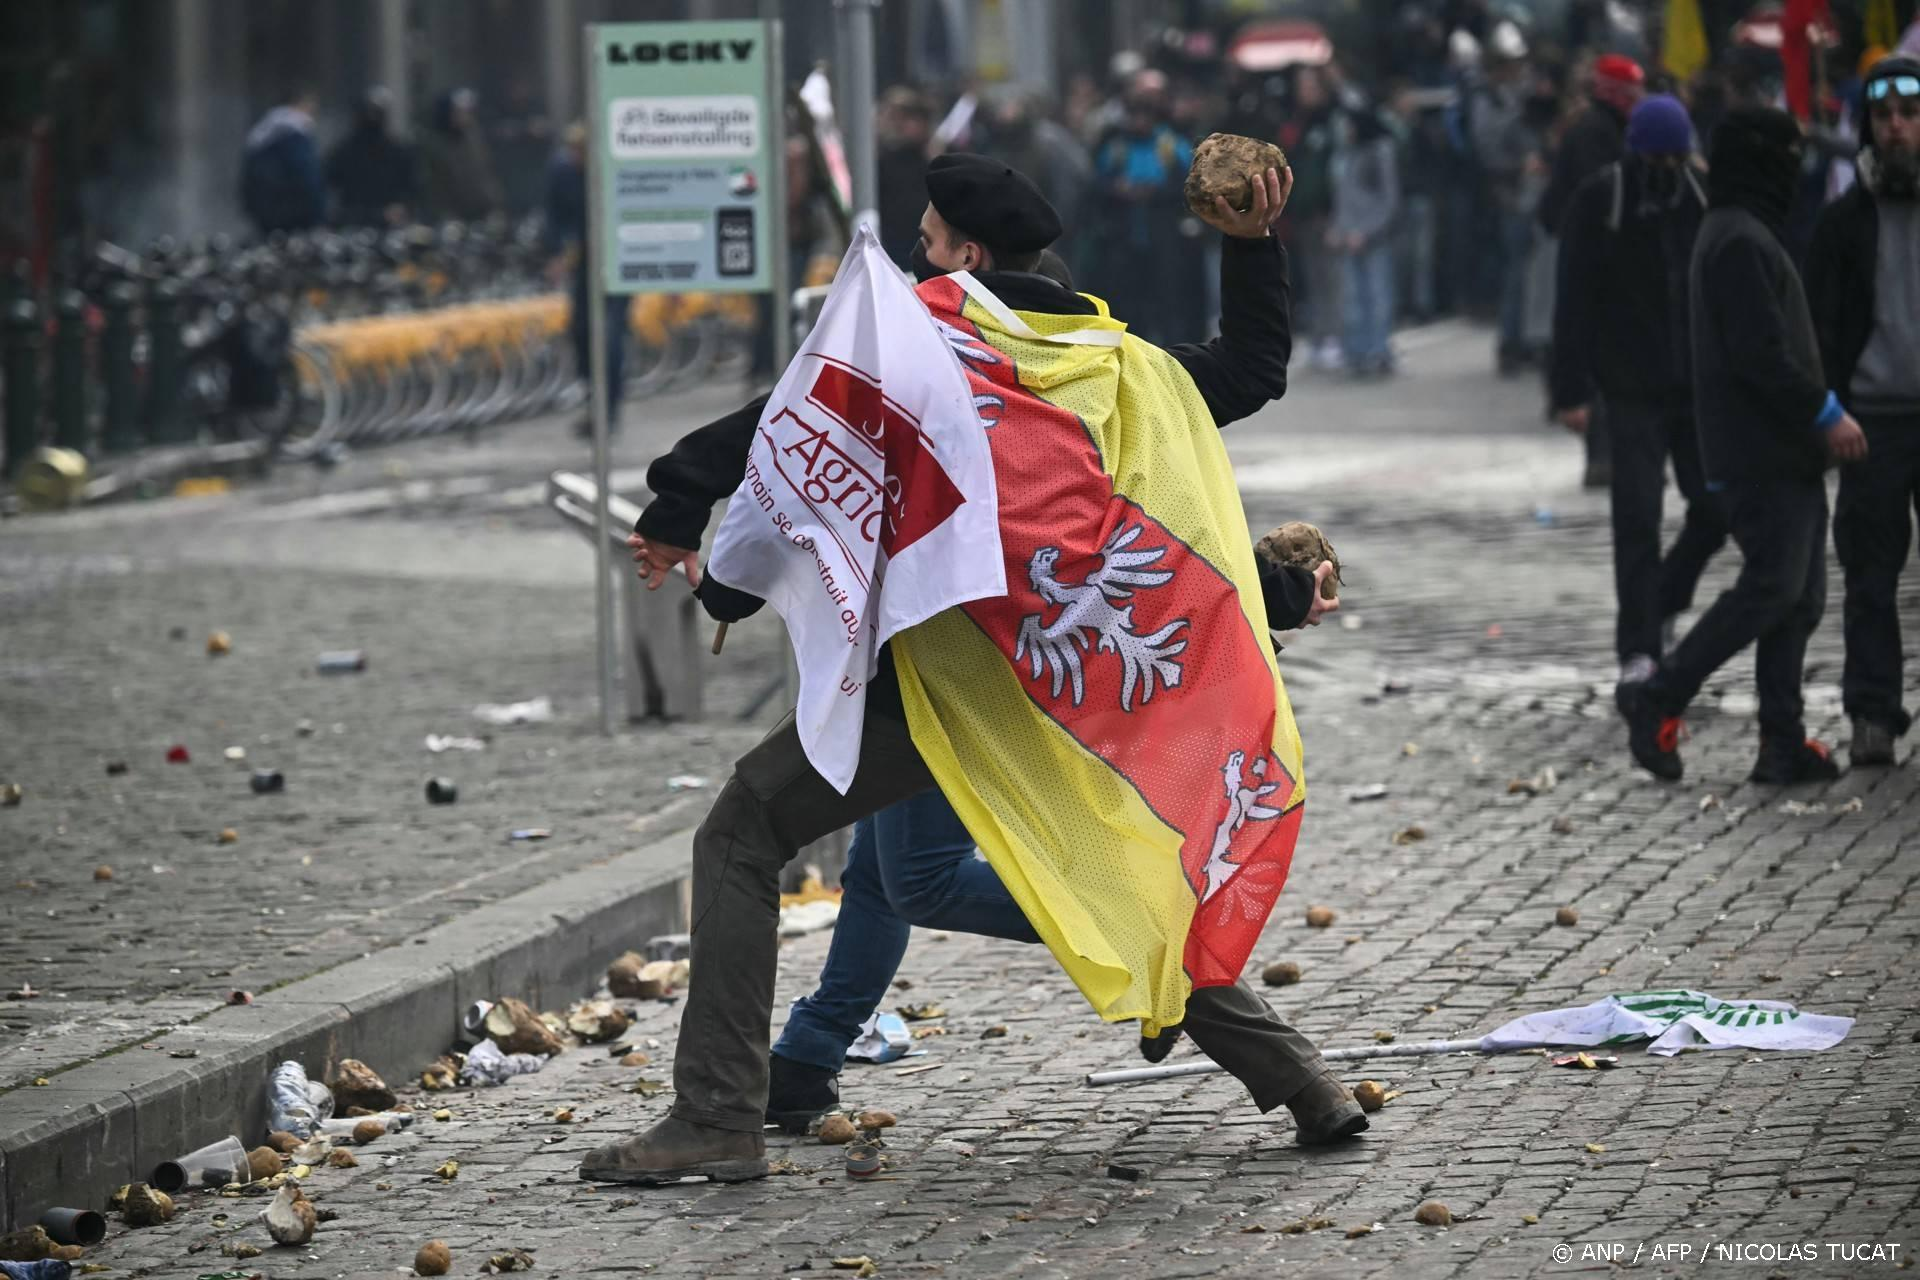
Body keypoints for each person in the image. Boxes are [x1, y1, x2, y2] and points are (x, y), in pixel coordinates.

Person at [580, 154, 1366, 1187]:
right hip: (1072, 691)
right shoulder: (1112, 366)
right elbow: (1244, 379)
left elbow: (791, 427)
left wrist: (682, 508)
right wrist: (1252, 244)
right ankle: (1305, 1081)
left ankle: (718, 1114)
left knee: (742, 826)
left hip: (949, 681)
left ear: (969, 256)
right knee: (1077, 870)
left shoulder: (925, 351)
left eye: (932, 241)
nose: (919, 256)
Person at [1620, 108, 1869, 785]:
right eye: (1787, 153)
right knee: (1771, 588)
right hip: (1763, 453)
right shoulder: (1736, 240)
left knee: (1799, 599)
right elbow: (1761, 354)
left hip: (1781, 454)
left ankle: (1781, 742)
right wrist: (1825, 412)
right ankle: (1661, 695)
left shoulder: (1745, 231)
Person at [1551, 95, 1727, 702]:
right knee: (1637, 520)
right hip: (1630, 390)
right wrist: (1570, 389)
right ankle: (1639, 649)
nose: (1668, 168)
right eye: (1659, 158)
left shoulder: (1700, 200)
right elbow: (1570, 297)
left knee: (1716, 508)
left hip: (1695, 390)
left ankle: (1662, 603)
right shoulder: (1603, 201)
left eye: (1677, 157)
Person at [1805, 55, 1920, 766]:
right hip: (1872, 422)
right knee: (1871, 577)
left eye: (1910, 116)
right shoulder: (1845, 223)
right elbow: (1820, 326)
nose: (1899, 129)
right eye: (1885, 118)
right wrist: (1826, 411)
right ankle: (1873, 711)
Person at [1468, 23, 1543, 375]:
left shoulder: (1519, 93)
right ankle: (1511, 343)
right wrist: (1519, 164)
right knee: (1516, 272)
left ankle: (1528, 338)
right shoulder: (1488, 99)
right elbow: (1489, 150)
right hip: (1509, 192)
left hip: (1533, 188)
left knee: (1531, 270)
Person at [544, 123, 625, 436]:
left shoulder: (609, 174)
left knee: (611, 333)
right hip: (587, 260)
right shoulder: (563, 174)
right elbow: (555, 215)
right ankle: (591, 390)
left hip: (618, 260)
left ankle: (608, 407)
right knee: (581, 329)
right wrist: (556, 253)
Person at [1328, 105, 1402, 377]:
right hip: (1348, 236)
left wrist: (1367, 231)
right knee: (1352, 299)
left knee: (1378, 296)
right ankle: (1356, 352)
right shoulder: (1344, 154)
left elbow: (1389, 200)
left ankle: (1379, 350)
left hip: (1373, 238)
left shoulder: (1379, 152)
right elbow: (1342, 197)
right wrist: (1338, 227)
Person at [325, 87, 414, 230]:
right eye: (370, 111)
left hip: (389, 225)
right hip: (353, 223)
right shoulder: (345, 150)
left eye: (377, 112)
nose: (372, 116)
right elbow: (329, 180)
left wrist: (401, 206)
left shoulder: (397, 151)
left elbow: (411, 185)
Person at [240, 90, 325, 236]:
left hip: (264, 214)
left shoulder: (261, 134)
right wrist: (318, 213)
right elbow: (307, 178)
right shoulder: (295, 135)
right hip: (294, 216)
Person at [419, 88, 503, 223]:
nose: (466, 116)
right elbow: (434, 187)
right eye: (460, 112)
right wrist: (445, 215)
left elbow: (485, 174)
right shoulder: (434, 145)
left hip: (481, 212)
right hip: (451, 217)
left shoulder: (474, 139)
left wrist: (495, 205)